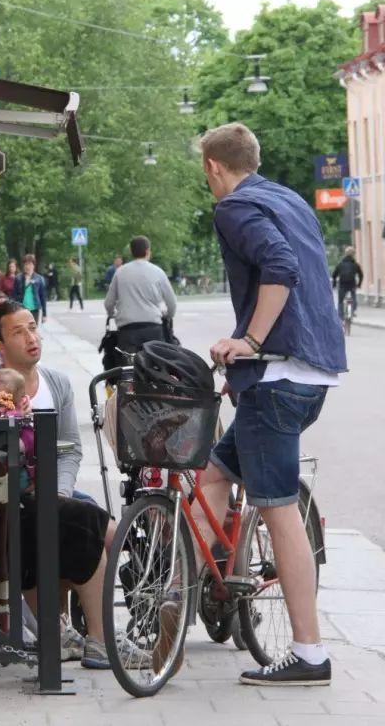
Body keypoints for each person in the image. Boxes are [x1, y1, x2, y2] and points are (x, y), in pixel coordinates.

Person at [197, 122, 346, 686]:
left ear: (214, 166)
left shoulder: (233, 208)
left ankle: (309, 653)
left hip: (276, 375)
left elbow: (280, 268)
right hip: (312, 375)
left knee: (278, 507)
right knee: (213, 471)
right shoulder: (287, 197)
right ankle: (172, 598)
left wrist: (250, 342)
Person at [0, 301, 136, 669]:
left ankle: (76, 629)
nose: (31, 338)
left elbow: (70, 449)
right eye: (18, 332)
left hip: (53, 491)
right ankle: (95, 638)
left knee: (97, 526)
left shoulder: (57, 383)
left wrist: (60, 490)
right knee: (88, 528)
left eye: (33, 328)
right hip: (10, 500)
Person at [104, 236, 177, 355]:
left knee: (128, 366)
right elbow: (172, 303)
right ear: (148, 251)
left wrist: (113, 314)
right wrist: (168, 315)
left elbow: (108, 303)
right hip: (153, 328)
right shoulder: (158, 272)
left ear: (132, 252)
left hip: (127, 329)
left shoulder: (120, 272)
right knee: (156, 364)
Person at [13, 254, 47, 324]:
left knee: (33, 329)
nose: (27, 267)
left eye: (29, 264)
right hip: (21, 309)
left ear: (33, 265)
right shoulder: (18, 278)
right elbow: (14, 295)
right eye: (25, 264)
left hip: (34, 309)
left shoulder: (39, 279)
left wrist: (44, 314)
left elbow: (43, 297)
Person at [332, 247, 363, 319]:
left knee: (340, 301)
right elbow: (361, 275)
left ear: (345, 254)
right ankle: (352, 311)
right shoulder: (355, 264)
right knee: (353, 298)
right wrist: (359, 284)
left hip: (342, 285)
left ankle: (340, 315)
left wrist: (334, 284)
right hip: (352, 285)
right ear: (353, 254)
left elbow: (334, 275)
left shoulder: (340, 264)